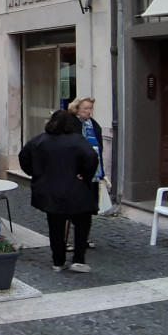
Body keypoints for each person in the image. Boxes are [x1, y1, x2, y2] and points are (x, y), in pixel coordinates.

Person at [19, 110, 99, 273]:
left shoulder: (39, 140)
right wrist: (84, 175)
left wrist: (35, 173)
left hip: (50, 190)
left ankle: (58, 261)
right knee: (82, 223)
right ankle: (78, 260)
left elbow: (23, 157)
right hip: (75, 189)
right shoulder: (77, 140)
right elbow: (91, 157)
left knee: (55, 226)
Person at [68, 96, 106, 249]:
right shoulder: (70, 124)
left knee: (89, 207)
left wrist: (100, 171)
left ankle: (84, 238)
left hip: (93, 174)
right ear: (76, 109)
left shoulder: (93, 125)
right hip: (76, 175)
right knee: (71, 208)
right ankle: (66, 240)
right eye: (86, 109)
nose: (89, 112)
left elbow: (99, 148)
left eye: (91, 108)